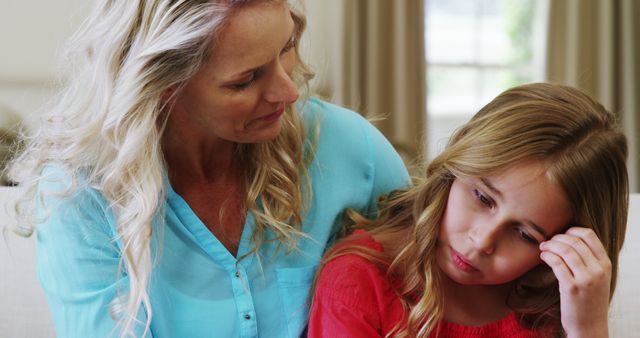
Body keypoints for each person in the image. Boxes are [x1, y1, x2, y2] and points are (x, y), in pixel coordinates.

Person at [7, 1, 409, 337]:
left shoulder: (351, 150)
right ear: (164, 84)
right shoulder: (80, 193)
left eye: (286, 47)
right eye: (246, 80)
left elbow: (440, 293)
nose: (288, 91)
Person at [308, 83, 629, 338]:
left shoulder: (553, 307)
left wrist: (588, 330)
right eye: (483, 198)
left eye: (523, 234)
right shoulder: (359, 281)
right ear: (457, 162)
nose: (481, 241)